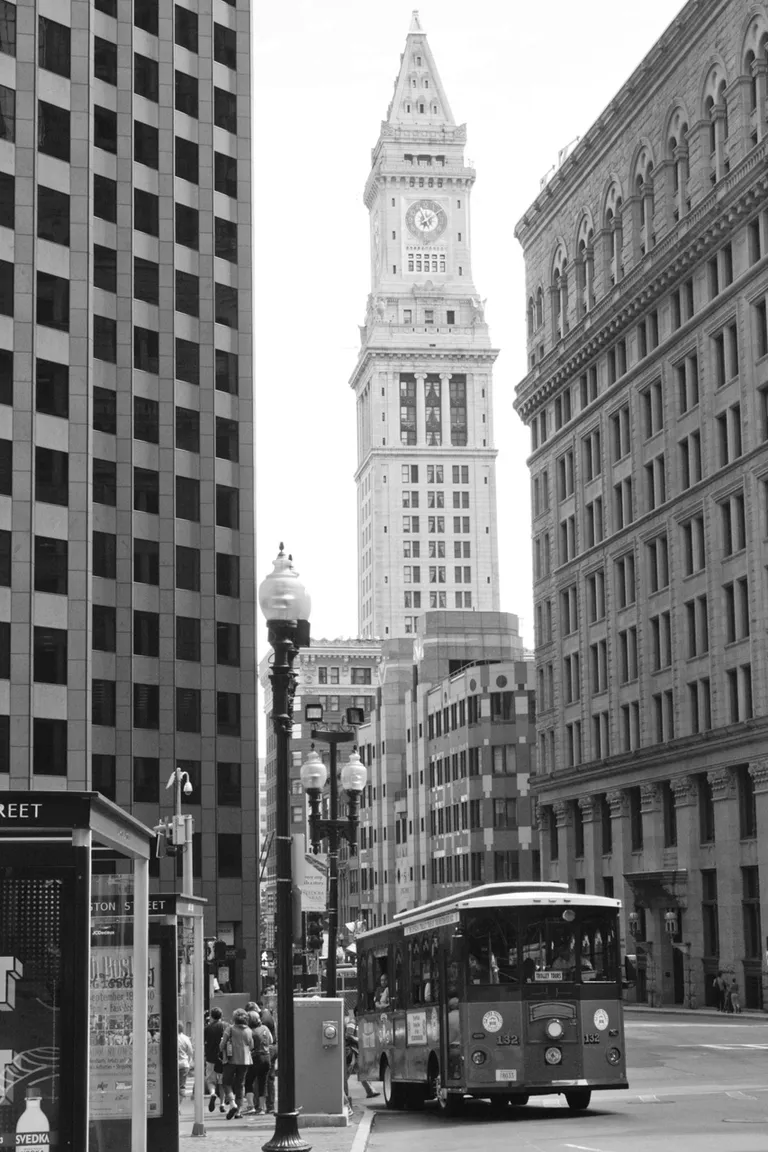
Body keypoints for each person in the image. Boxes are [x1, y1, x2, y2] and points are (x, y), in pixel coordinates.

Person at [220, 1009, 254, 1120]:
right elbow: (251, 1046)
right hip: (244, 1060)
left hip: (230, 1060)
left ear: (234, 1018)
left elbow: (222, 1045)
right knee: (240, 1085)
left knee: (226, 1083)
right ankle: (238, 1112)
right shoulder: (249, 1031)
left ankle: (232, 1103)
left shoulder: (229, 1029)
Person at [242, 1004, 272, 1116]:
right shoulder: (265, 1028)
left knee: (248, 1081)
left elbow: (249, 1046)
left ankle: (251, 1107)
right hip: (266, 1057)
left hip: (255, 1058)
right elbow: (271, 1040)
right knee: (263, 1083)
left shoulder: (249, 1031)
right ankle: (262, 1108)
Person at [204, 1007, 227, 1114]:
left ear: (211, 1016)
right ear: (221, 1016)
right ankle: (222, 1104)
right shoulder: (226, 1026)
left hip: (210, 1058)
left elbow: (203, 1043)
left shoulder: (207, 1028)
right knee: (222, 1082)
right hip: (223, 1058)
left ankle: (213, 1093)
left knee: (210, 1080)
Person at [177, 1023, 193, 1107]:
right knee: (182, 1086)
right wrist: (189, 1062)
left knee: (173, 1085)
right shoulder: (186, 1038)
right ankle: (179, 1106)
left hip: (174, 1065)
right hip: (184, 1064)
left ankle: (175, 1105)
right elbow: (190, 1052)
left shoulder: (171, 1037)